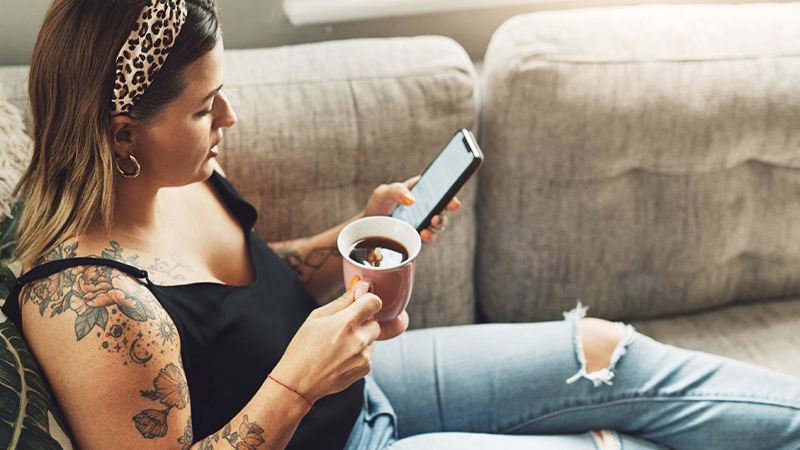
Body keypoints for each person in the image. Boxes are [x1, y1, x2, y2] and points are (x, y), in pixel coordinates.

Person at [3, 1, 799, 449]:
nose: (230, 119)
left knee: (608, 355)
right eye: (206, 107)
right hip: (333, 439)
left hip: (366, 388)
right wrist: (296, 380)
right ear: (120, 132)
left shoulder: (180, 172)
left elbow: (226, 289)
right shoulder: (95, 310)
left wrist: (357, 234)